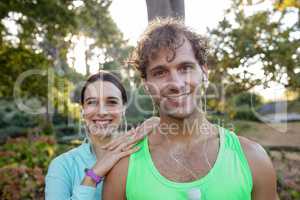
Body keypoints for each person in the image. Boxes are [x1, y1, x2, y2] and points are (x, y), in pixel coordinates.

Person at [103, 18, 277, 200]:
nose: (176, 84)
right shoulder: (124, 167)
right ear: (146, 85)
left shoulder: (252, 158)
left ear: (204, 72)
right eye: (160, 72)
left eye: (185, 68)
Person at [45, 70, 159, 200]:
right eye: (92, 102)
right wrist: (92, 176)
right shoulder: (62, 166)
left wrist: (158, 121)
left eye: (111, 102)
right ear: (82, 109)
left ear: (123, 108)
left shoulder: (143, 154)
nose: (102, 111)